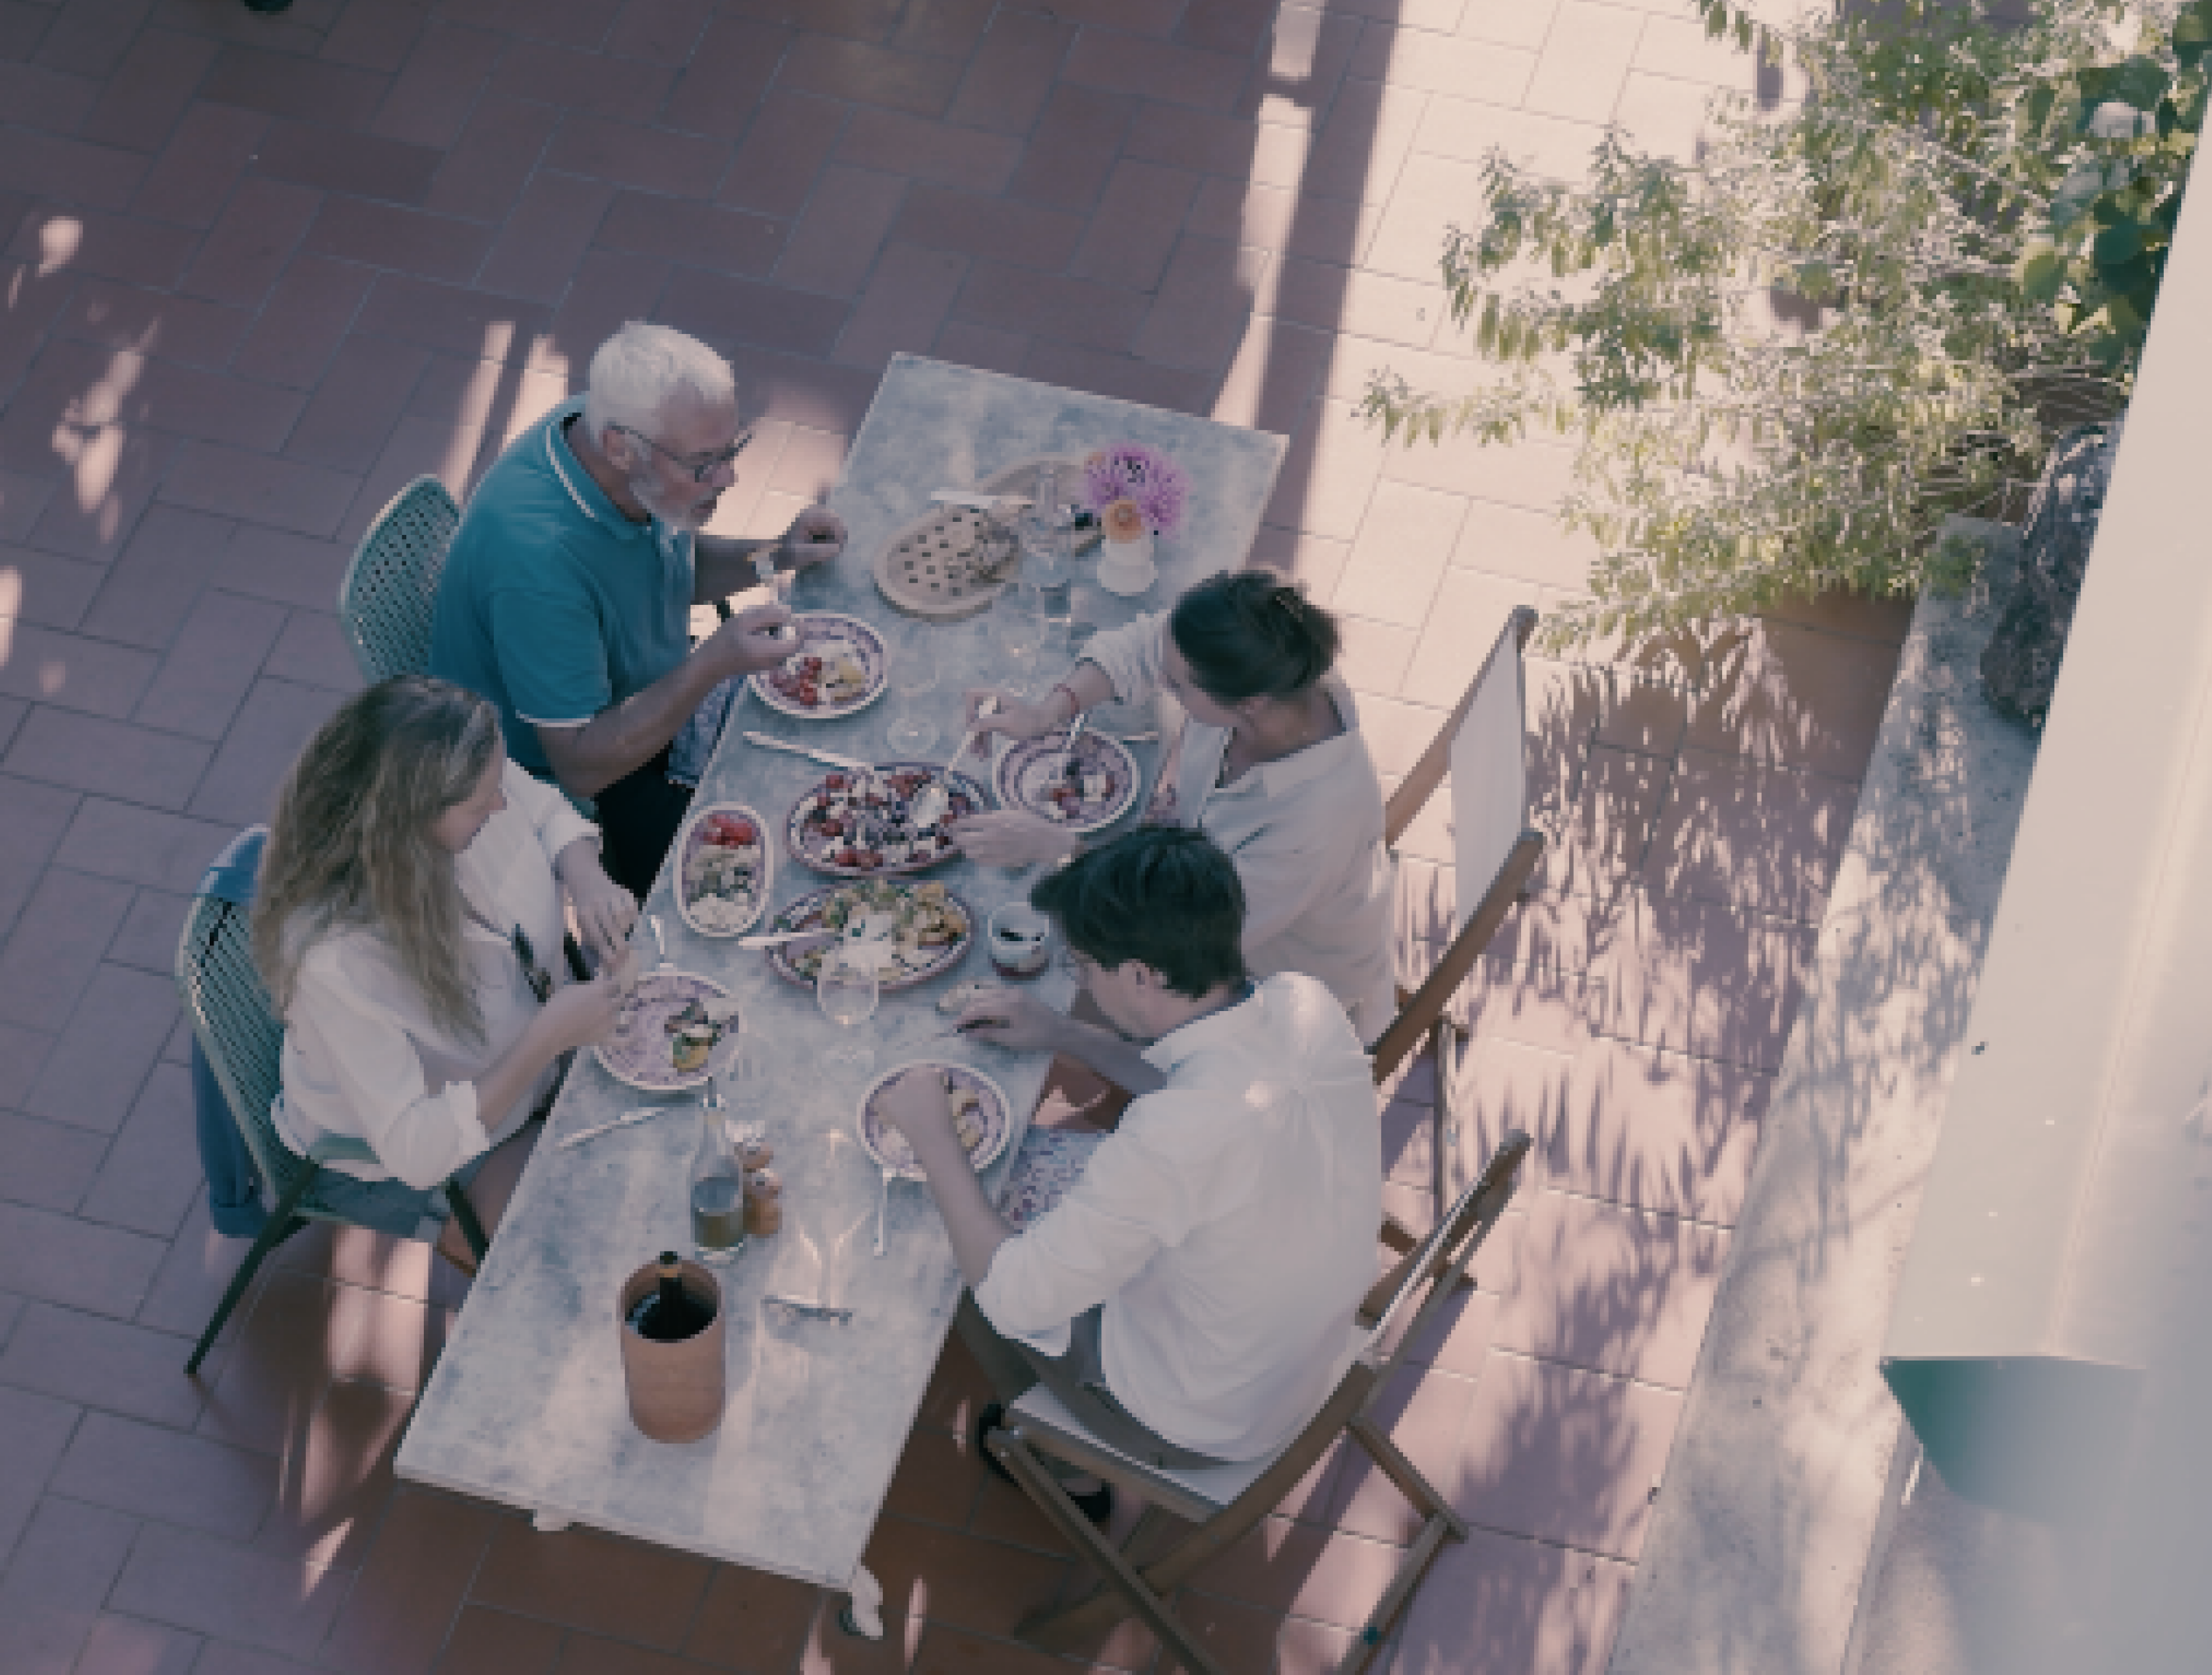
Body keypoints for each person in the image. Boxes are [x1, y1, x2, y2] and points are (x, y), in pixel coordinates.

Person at [877, 828, 1383, 1539]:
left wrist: (933, 1137)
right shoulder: (1304, 1002)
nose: (1082, 981)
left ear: (1142, 975)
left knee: (940, 1233)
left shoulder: (1174, 1138)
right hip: (1298, 1347)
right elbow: (1210, 1086)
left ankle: (1075, 1471)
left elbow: (1015, 1291)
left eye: (1085, 967)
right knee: (1036, 1172)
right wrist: (1065, 1033)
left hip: (1201, 1417)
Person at [428, 322, 847, 894]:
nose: (729, 477)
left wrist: (775, 555)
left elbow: (666, 569)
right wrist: (708, 667)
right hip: (583, 773)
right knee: (779, 872)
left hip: (649, 695)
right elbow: (578, 762)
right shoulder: (538, 565)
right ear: (621, 448)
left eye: (732, 449)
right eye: (704, 465)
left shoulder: (606, 434)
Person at [251, 677, 641, 1273]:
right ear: (407, 829)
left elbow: (542, 809)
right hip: (425, 1154)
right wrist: (547, 1040)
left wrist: (586, 877)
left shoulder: (469, 782)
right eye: (482, 803)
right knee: (592, 1253)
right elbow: (416, 1148)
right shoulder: (336, 961)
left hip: (545, 1061)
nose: (501, 804)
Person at [953, 571, 1396, 1083]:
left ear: (1247, 705)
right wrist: (1046, 713)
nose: (1161, 683)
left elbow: (1187, 931)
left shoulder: (1316, 821)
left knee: (1060, 976)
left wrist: (1066, 851)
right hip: (1202, 893)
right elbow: (1147, 646)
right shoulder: (1264, 671)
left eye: (1177, 687)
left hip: (1274, 987)